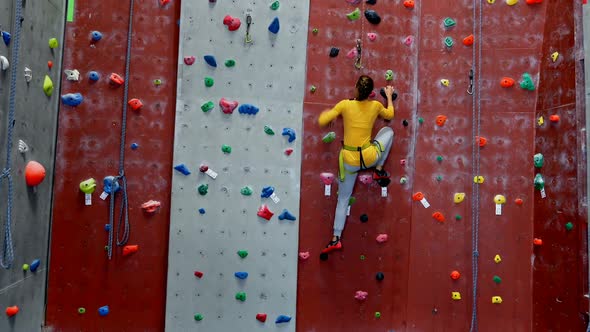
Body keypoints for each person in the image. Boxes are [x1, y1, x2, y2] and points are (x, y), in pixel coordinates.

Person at [317, 75, 395, 254]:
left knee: (343, 199)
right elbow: (390, 115)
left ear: (356, 89)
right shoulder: (375, 106)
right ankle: (379, 168)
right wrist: (389, 96)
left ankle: (336, 238)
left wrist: (329, 116)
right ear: (370, 94)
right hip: (369, 157)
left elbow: (323, 120)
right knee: (388, 131)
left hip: (349, 161)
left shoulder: (345, 104)